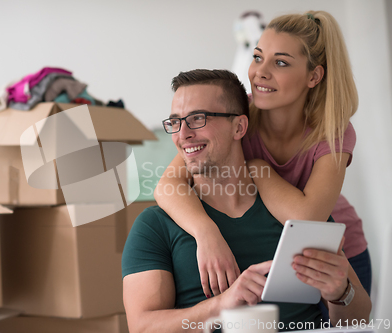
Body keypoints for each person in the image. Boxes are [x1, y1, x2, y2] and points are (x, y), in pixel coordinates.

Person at [122, 69, 371, 332]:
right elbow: (142, 327)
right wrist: (220, 307)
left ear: (239, 127)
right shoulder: (155, 225)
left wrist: (341, 293)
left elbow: (359, 319)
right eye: (175, 122)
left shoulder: (294, 215)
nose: (182, 134)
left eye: (198, 118)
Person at [153, 11, 371, 303]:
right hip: (265, 246)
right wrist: (206, 232)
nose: (259, 72)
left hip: (327, 252)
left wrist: (258, 169)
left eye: (280, 62)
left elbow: (307, 220)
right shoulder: (237, 118)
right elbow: (167, 186)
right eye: (257, 57)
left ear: (314, 75)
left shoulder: (332, 131)